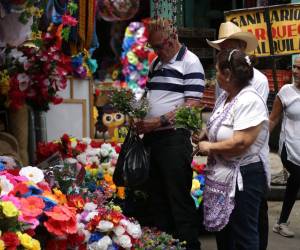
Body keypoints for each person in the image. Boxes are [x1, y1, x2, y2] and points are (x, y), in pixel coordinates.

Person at [135, 18, 205, 250]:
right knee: (157, 197)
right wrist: (138, 113)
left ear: (173, 38)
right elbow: (149, 95)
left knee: (178, 197)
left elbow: (193, 104)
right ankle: (166, 244)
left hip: (174, 140)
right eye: (153, 47)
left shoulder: (190, 62)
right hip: (154, 139)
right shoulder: (156, 62)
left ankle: (189, 244)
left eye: (159, 46)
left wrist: (159, 120)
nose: (156, 51)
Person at [206, 21, 270, 250]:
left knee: (245, 231)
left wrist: (210, 147)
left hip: (244, 167)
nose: (222, 50)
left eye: (227, 46)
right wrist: (208, 132)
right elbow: (219, 115)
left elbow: (243, 138)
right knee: (227, 232)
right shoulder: (226, 93)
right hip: (225, 168)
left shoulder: (252, 91)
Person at [269, 56, 300, 238]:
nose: (295, 72)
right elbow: (273, 119)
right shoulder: (285, 92)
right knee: (297, 176)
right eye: (294, 68)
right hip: (289, 147)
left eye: (299, 68)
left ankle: (281, 222)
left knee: (294, 182)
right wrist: (260, 142)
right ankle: (281, 223)